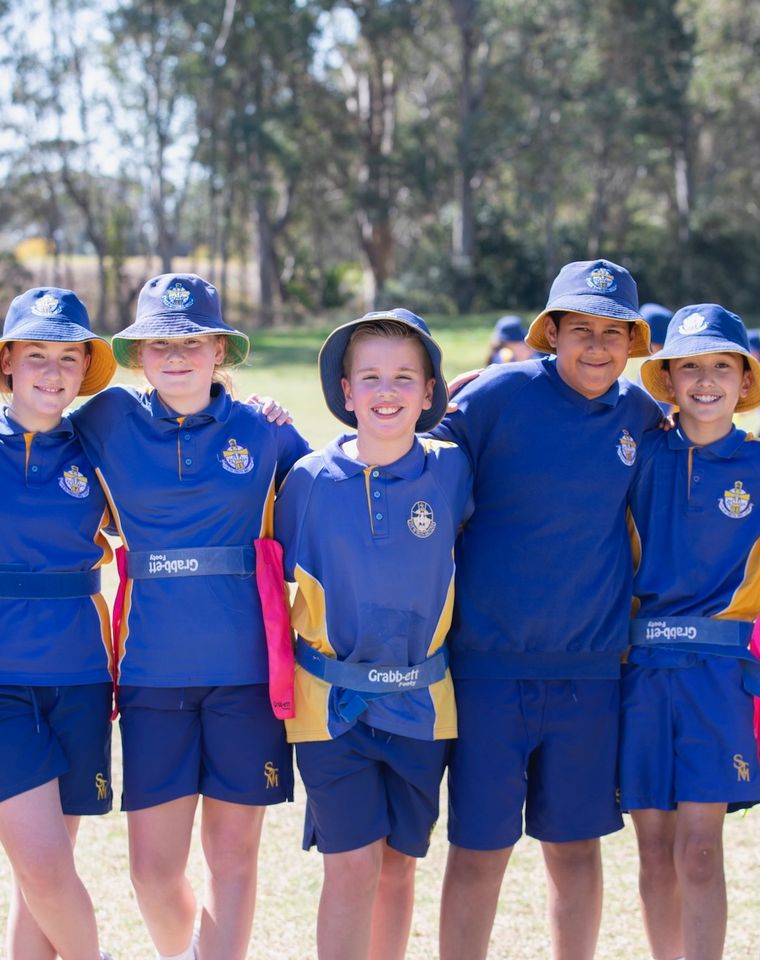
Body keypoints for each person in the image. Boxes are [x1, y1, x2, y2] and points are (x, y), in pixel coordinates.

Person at [70, 274, 309, 960]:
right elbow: (35, 423)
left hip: (245, 677)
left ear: (220, 353)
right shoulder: (105, 421)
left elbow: (333, 490)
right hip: (150, 673)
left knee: (232, 859)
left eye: (193, 342)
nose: (177, 357)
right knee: (152, 870)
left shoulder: (263, 432)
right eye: (160, 344)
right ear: (139, 353)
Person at [432, 259, 662, 960]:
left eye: (614, 333)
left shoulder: (642, 417)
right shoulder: (493, 398)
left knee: (575, 847)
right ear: (550, 332)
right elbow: (416, 458)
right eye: (580, 330)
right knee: (479, 849)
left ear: (632, 342)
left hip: (589, 672)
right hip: (487, 667)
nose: (597, 346)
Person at [274, 308, 473, 960]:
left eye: (403, 378)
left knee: (399, 865)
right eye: (371, 378)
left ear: (428, 392)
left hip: (422, 705)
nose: (386, 392)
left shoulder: (452, 471)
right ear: (345, 392)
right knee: (350, 865)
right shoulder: (305, 480)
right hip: (332, 710)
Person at [621, 303, 760, 960]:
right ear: (669, 380)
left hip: (721, 681)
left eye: (722, 367)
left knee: (700, 851)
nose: (706, 381)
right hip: (641, 675)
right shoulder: (636, 454)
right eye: (690, 367)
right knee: (654, 853)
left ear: (744, 380)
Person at [0, 288, 117, 960]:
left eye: (67, 357)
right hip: (3, 682)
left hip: (78, 674)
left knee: (41, 878)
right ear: (9, 361)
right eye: (37, 355)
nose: (52, 371)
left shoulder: (100, 447)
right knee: (43, 867)